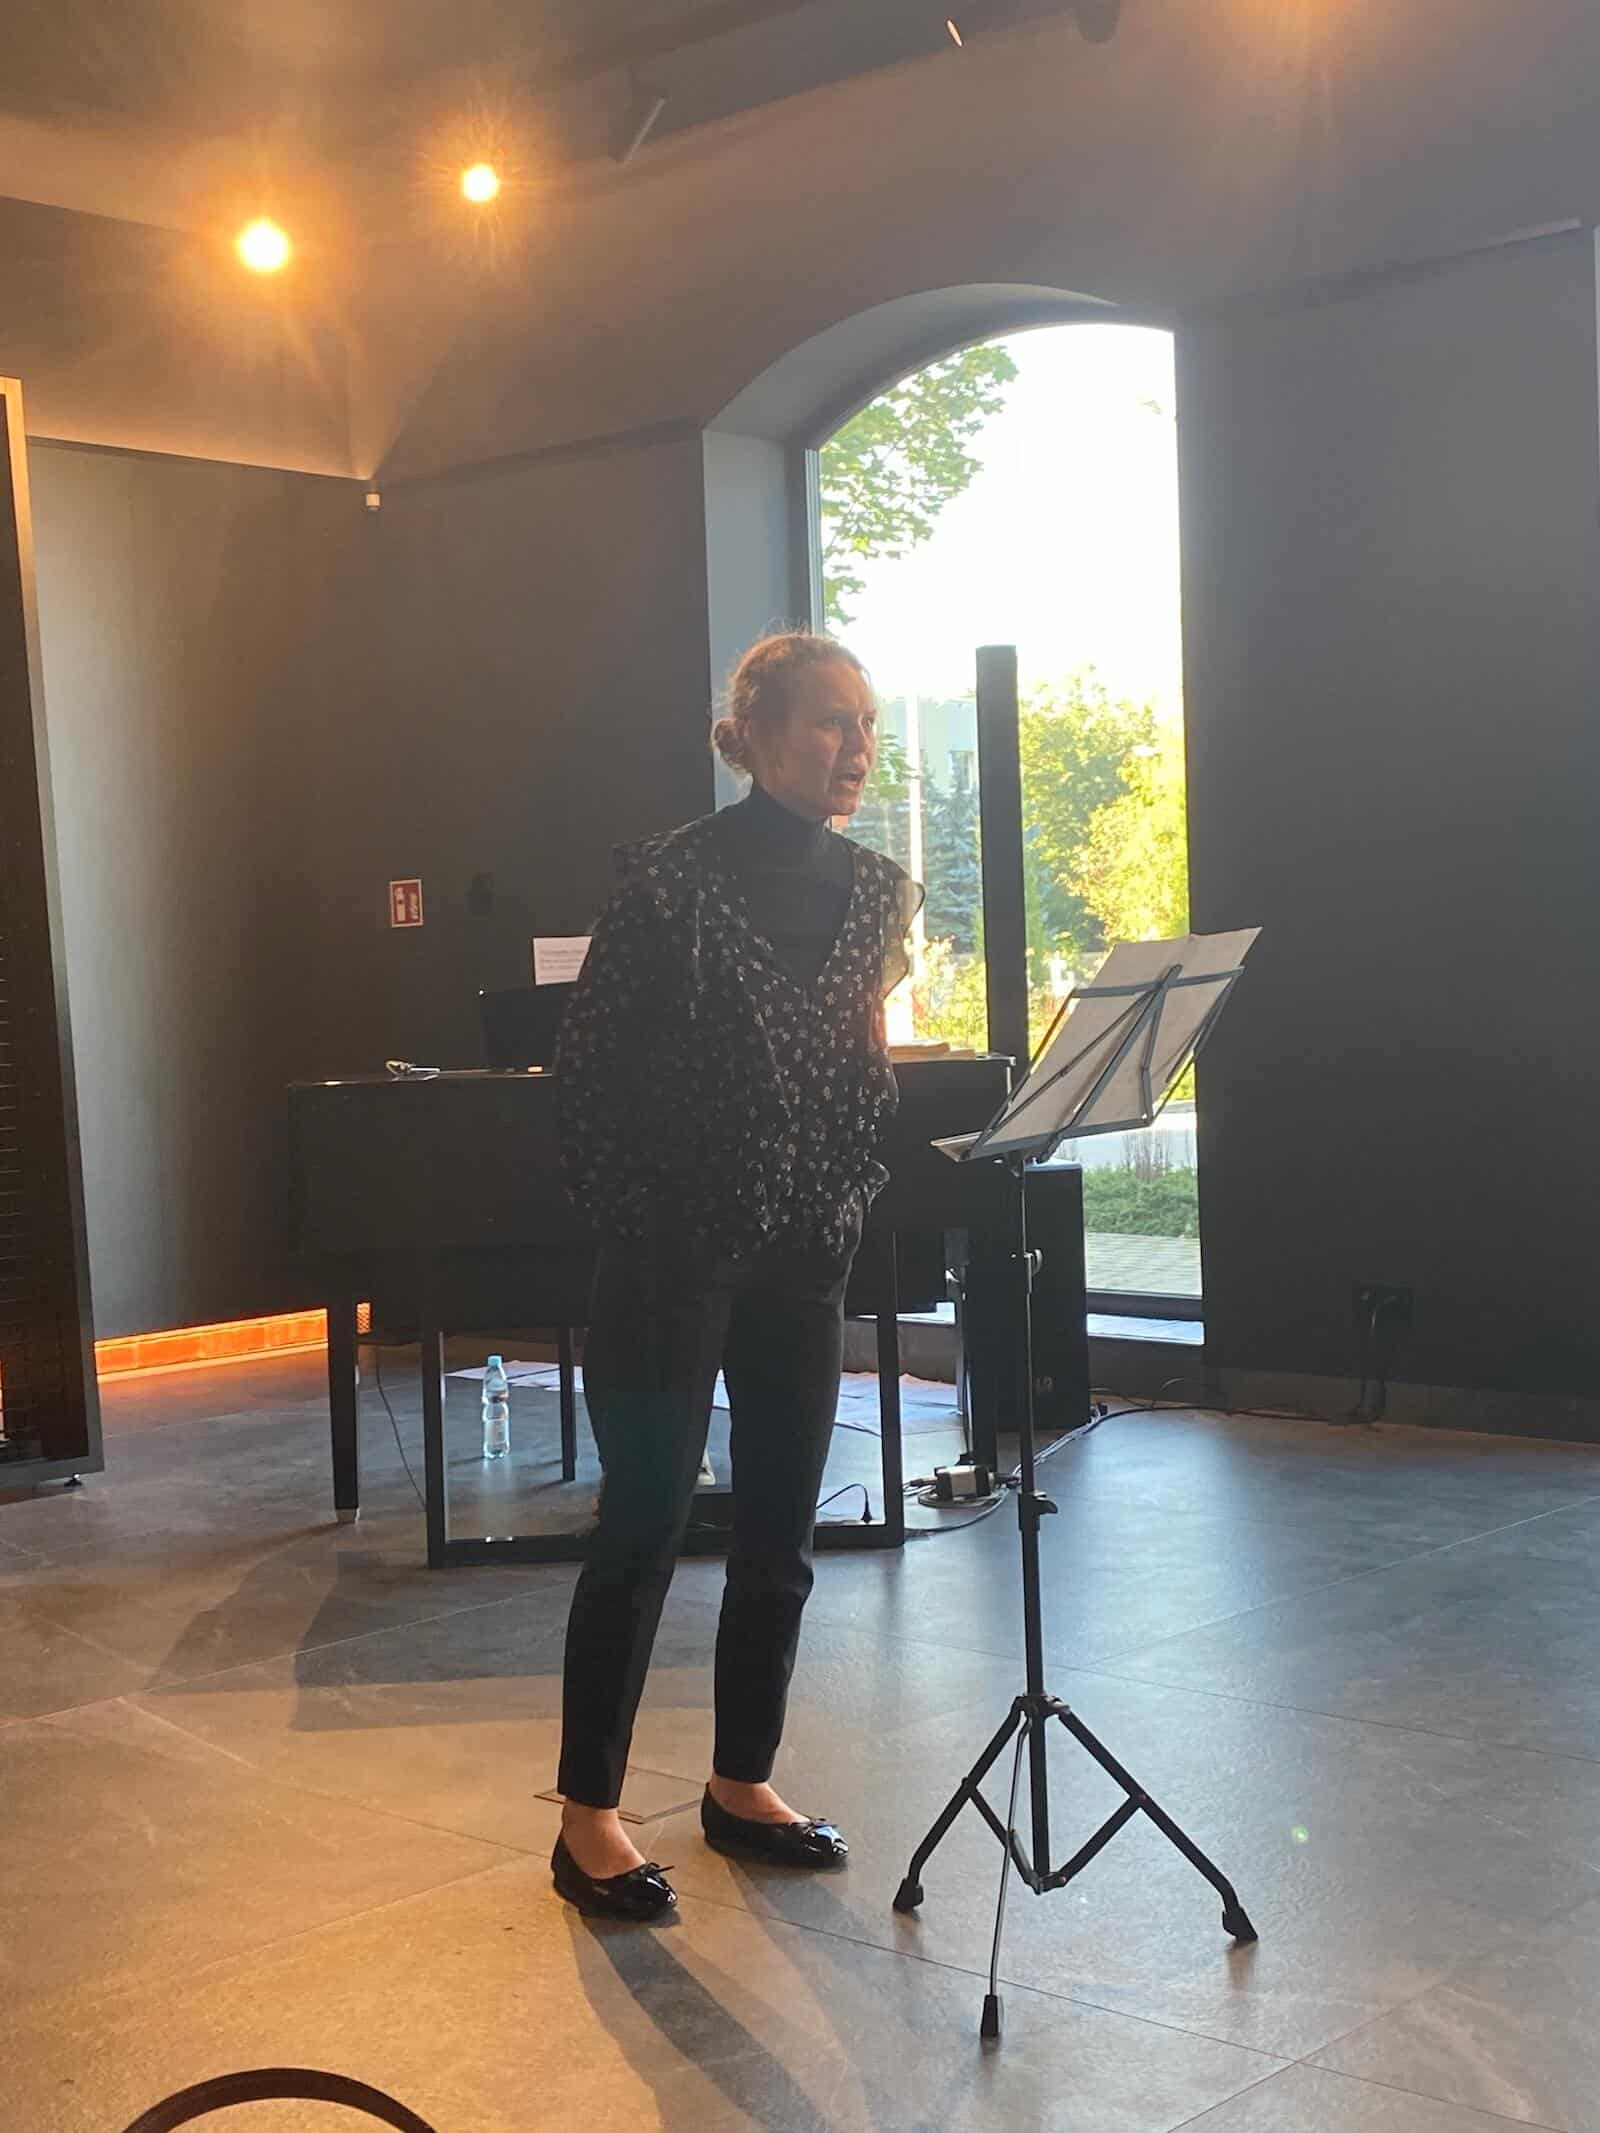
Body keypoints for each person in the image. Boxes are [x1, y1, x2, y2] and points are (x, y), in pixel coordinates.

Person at [551, 630, 922, 1921]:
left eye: (865, 723)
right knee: (644, 1524)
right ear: (756, 734)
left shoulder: (877, 892)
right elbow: (586, 1077)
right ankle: (588, 1816)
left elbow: (861, 1067)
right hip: (671, 1259)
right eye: (828, 721)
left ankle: (739, 1780)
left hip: (805, 1256)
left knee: (780, 1528)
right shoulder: (670, 881)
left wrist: (850, 1191)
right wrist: (647, 1223)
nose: (855, 746)